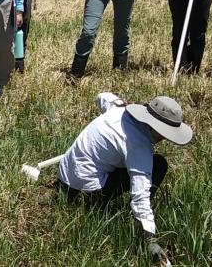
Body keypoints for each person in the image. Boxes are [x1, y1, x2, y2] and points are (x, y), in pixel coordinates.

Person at [55, 92, 192, 267]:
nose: (164, 138)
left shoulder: (118, 108)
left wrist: (121, 102)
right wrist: (149, 238)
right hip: (87, 190)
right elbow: (140, 194)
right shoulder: (138, 145)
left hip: (65, 176)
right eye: (164, 133)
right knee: (159, 165)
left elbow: (102, 96)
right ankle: (95, 205)